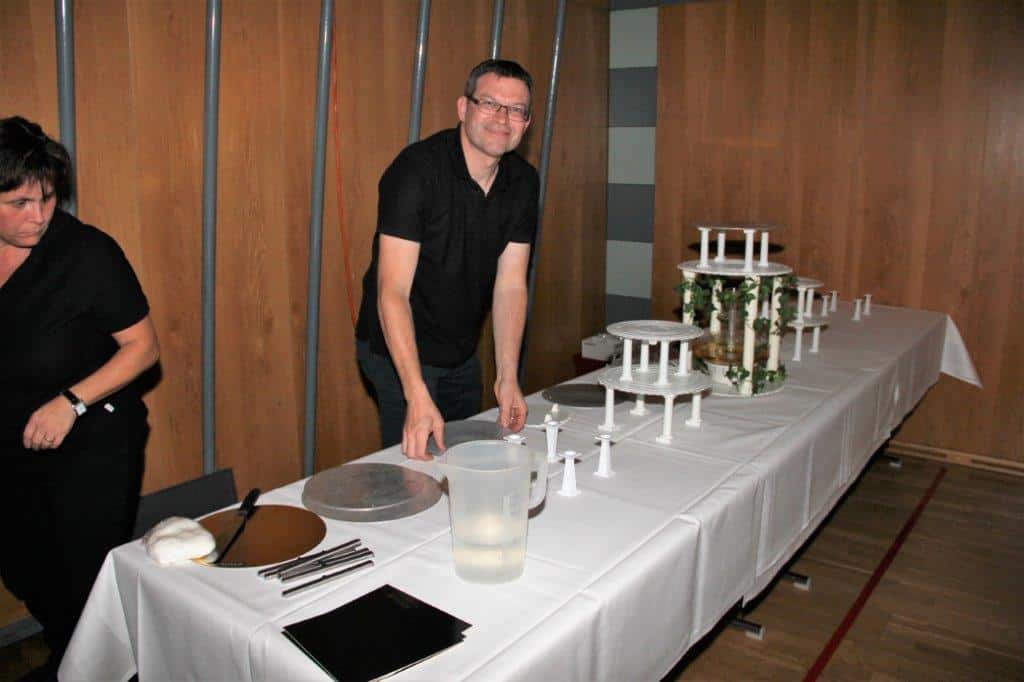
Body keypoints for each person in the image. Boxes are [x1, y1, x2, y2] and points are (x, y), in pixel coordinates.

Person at [0, 116, 159, 679]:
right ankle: (73, 658)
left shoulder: (86, 254)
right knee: (26, 569)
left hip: (94, 440)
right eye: (19, 202)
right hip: (13, 442)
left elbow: (143, 348)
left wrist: (71, 402)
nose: (39, 215)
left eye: (47, 197)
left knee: (84, 580)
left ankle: (99, 669)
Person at [356, 59, 539, 461]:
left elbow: (511, 286)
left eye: (516, 109)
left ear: (526, 123)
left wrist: (507, 376)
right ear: (463, 108)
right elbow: (392, 292)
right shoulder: (416, 172)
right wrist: (415, 392)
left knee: (465, 457)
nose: (502, 118)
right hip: (395, 348)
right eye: (489, 103)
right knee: (415, 466)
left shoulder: (523, 183)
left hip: (459, 349)